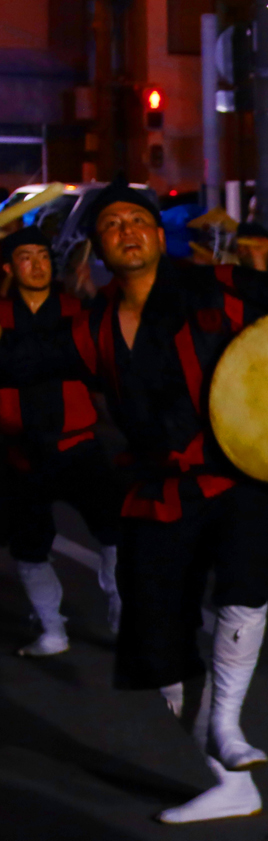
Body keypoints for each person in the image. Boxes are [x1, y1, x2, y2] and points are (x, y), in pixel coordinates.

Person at [82, 184, 268, 823]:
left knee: (244, 586)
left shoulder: (212, 283)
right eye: (112, 223)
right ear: (97, 247)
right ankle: (228, 778)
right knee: (157, 646)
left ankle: (227, 725)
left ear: (158, 234)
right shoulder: (87, 324)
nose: (127, 230)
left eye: (138, 219)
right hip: (156, 487)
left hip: (233, 472)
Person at [0, 226, 121, 658]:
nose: (37, 265)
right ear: (9, 268)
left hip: (78, 446)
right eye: (25, 258)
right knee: (29, 548)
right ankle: (53, 631)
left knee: (115, 536)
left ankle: (123, 621)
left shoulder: (76, 310)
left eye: (43, 256)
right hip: (20, 454)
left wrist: (92, 296)